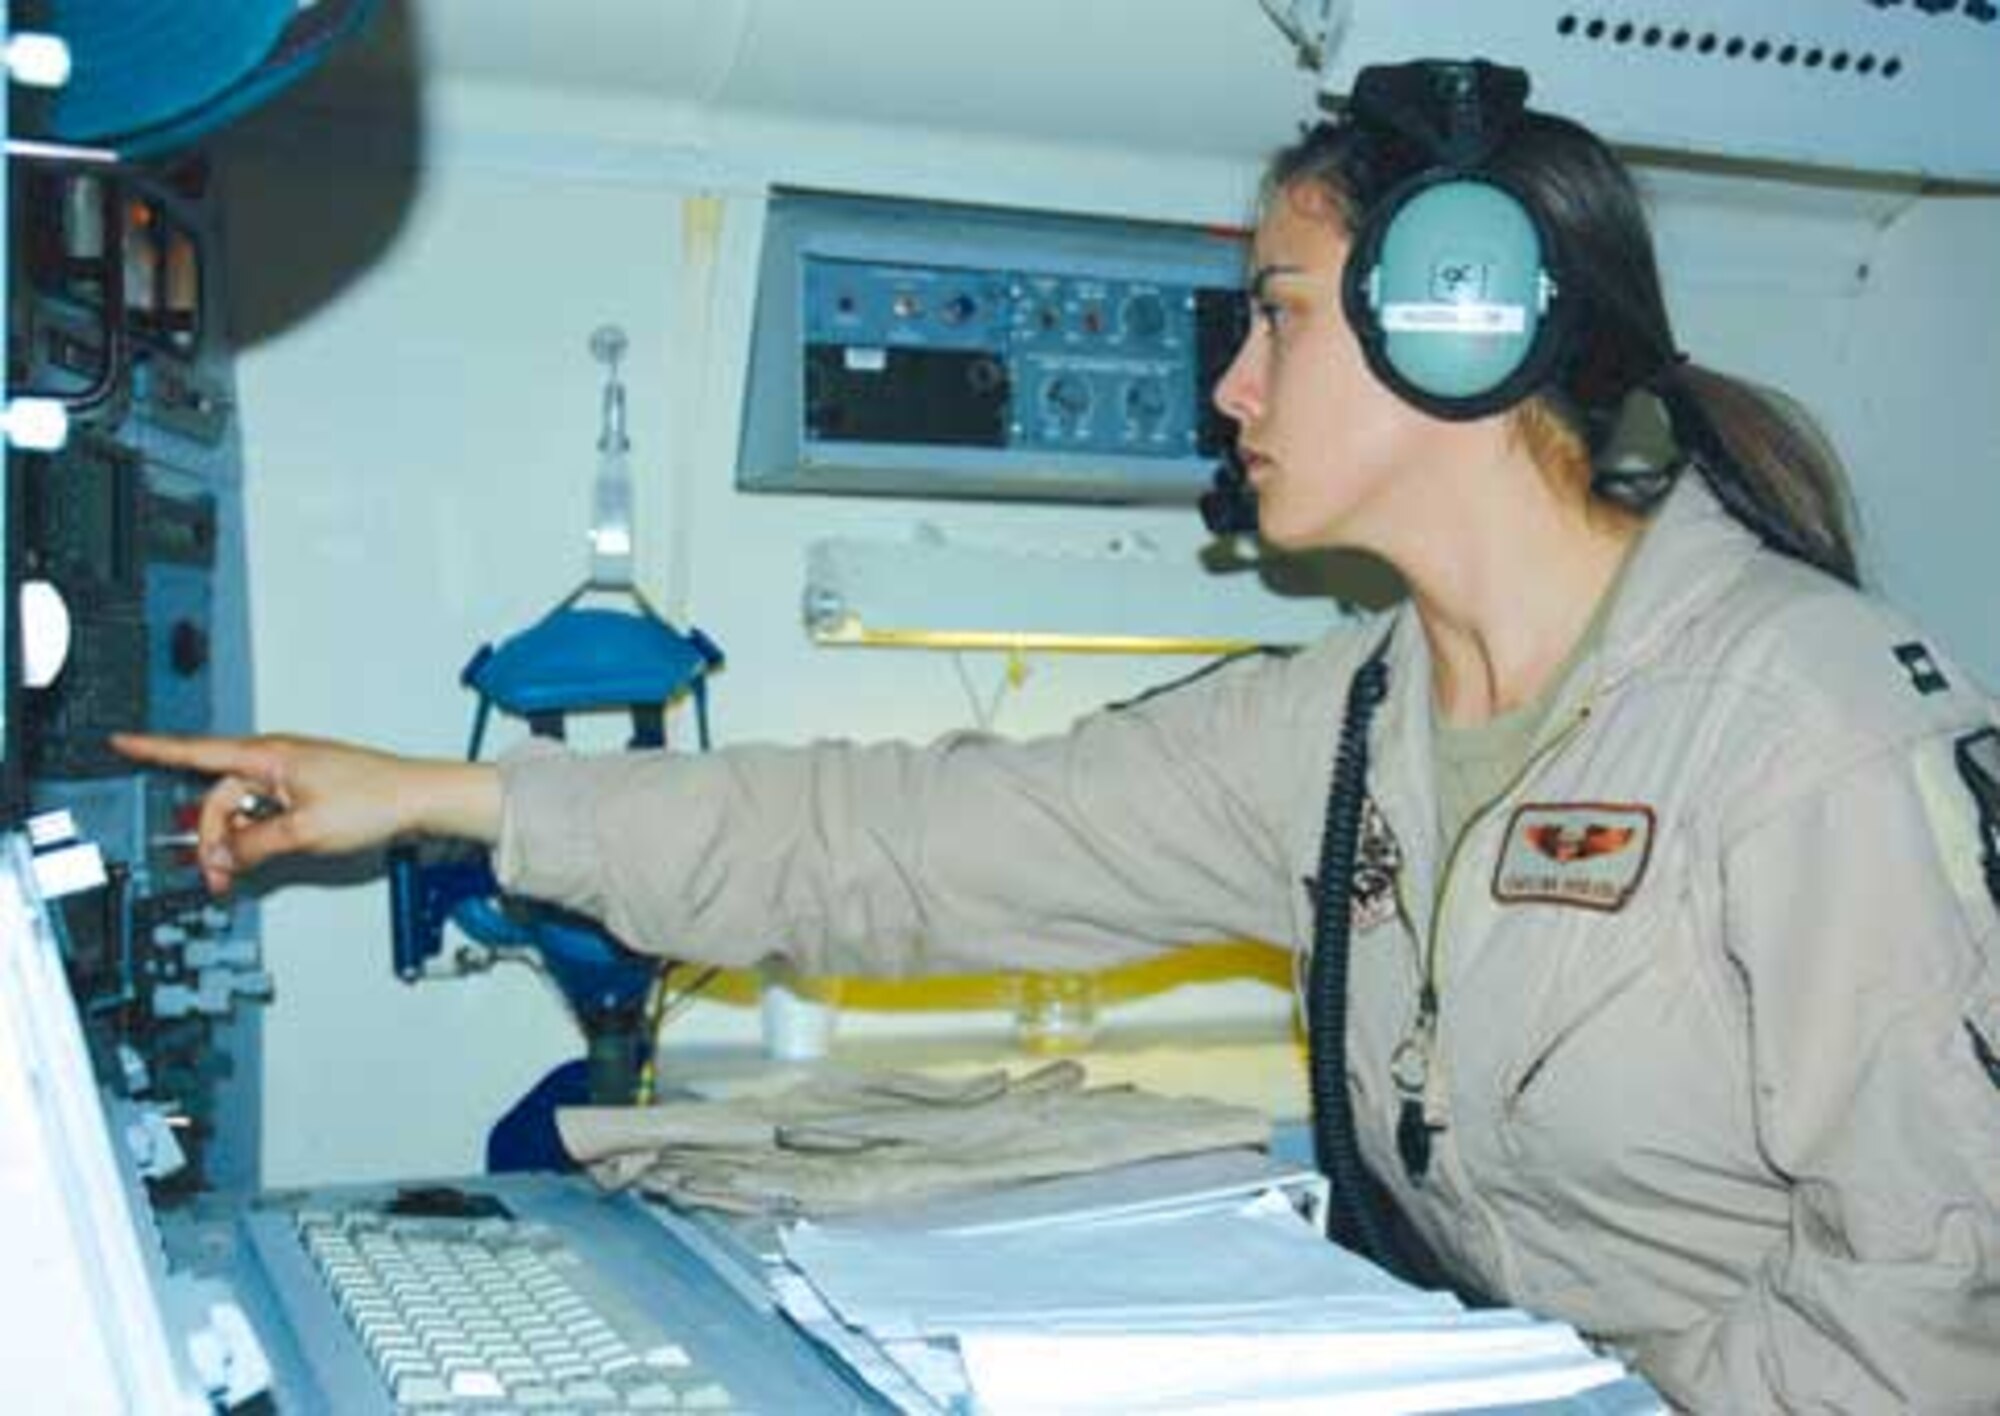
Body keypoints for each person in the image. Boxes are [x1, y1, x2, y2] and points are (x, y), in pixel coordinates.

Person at [115, 59, 2000, 1413]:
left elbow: (1936, 1308)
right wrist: (444, 798)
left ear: (1456, 325)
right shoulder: (1342, 733)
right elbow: (901, 849)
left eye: (1270, 318)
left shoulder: (1804, 728)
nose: (1230, 387)